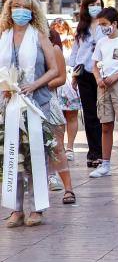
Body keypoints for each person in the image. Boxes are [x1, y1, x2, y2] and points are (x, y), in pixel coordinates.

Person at [1, 0, 60, 227]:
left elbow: (54, 69)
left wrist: (35, 84)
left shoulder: (40, 36)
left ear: (33, 12)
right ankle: (16, 209)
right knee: (12, 155)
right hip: (8, 104)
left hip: (36, 102)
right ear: (9, 9)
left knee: (36, 156)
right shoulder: (3, 36)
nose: (20, 11)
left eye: (25, 7)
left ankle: (37, 208)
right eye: (16, 7)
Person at [89, 7, 118, 178]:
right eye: (100, 25)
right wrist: (98, 78)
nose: (103, 28)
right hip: (103, 86)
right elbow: (94, 65)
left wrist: (117, 75)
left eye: (105, 24)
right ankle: (105, 163)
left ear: (114, 23)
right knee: (105, 125)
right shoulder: (101, 43)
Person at [69, 0, 105, 167]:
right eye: (91, 5)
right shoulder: (82, 27)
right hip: (84, 74)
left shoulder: (105, 24)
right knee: (89, 115)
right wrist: (74, 76)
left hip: (102, 73)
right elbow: (76, 53)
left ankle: (103, 152)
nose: (95, 7)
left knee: (102, 115)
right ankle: (94, 153)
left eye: (98, 4)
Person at [46, 30, 76, 205]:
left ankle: (68, 188)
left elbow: (62, 78)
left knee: (56, 146)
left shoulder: (53, 48)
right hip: (23, 102)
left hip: (48, 101)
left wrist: (37, 85)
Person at [51, 19, 80, 161]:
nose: (60, 32)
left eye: (62, 29)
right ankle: (59, 146)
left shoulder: (73, 43)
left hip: (69, 81)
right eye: (56, 29)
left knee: (71, 115)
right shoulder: (49, 43)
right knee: (58, 116)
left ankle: (70, 147)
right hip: (55, 81)